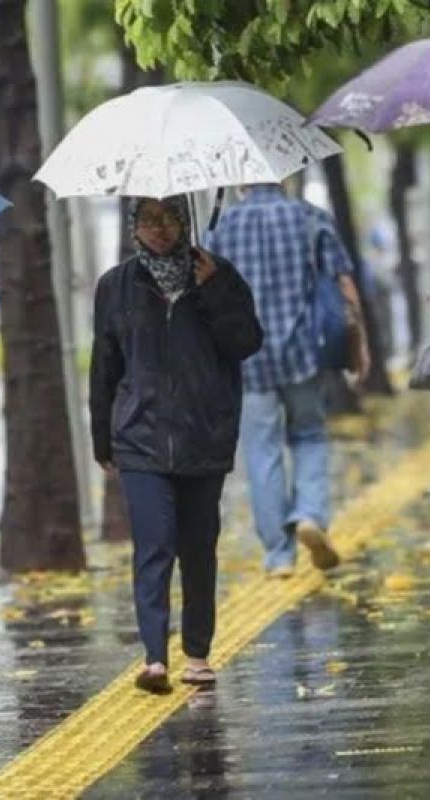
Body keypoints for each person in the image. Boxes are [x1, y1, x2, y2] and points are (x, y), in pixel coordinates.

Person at [90, 196, 263, 694]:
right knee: (153, 544)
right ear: (134, 226)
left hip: (203, 433)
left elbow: (246, 342)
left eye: (169, 218)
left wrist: (213, 291)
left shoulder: (218, 274)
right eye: (149, 220)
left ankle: (197, 652)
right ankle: (153, 658)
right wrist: (103, 436)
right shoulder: (116, 285)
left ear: (185, 220)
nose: (160, 229)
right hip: (139, 437)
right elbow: (104, 366)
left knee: (198, 547)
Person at [205, 183, 370, 578]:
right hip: (304, 353)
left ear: (243, 180)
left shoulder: (220, 228)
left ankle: (279, 556)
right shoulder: (310, 217)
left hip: (248, 359)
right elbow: (344, 285)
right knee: (309, 434)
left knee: (262, 452)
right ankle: (310, 514)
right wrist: (359, 344)